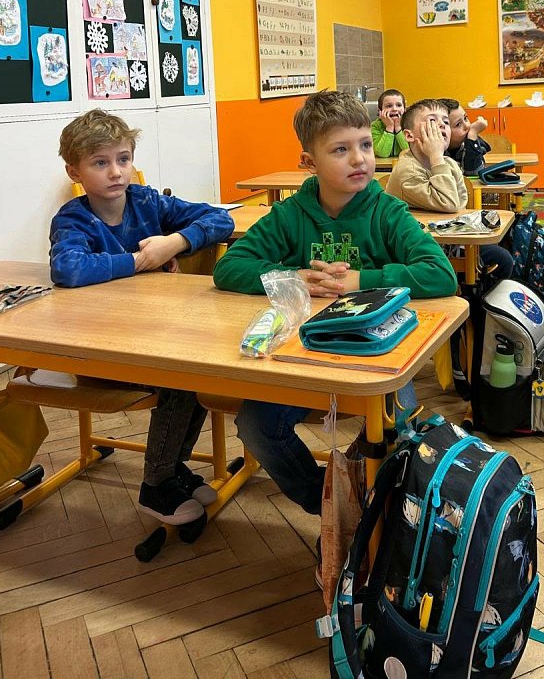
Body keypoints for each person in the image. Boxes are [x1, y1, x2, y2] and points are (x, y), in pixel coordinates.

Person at [213, 90, 457, 515]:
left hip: (376, 355)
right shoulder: (291, 214)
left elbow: (440, 274)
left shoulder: (387, 212)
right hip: (304, 354)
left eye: (364, 145)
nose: (359, 159)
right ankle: (333, 509)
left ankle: (383, 509)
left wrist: (360, 280)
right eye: (340, 150)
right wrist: (293, 278)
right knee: (256, 425)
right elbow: (229, 267)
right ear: (309, 162)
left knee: (399, 424)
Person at [50, 109, 235, 523]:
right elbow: (69, 268)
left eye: (124, 159)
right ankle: (155, 485)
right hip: (101, 348)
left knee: (200, 373)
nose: (116, 172)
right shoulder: (74, 218)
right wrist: (140, 261)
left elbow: (220, 219)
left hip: (153, 334)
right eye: (100, 162)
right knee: (180, 379)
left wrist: (174, 243)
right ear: (74, 171)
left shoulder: (146, 201)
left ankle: (173, 469)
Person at [385, 99, 513, 283]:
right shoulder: (408, 171)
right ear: (409, 136)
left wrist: (439, 160)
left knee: (502, 258)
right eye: (432, 121)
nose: (441, 125)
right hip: (412, 253)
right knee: (499, 260)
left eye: (445, 122)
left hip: (443, 241)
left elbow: (460, 203)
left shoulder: (448, 163)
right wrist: (437, 156)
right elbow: (451, 203)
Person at [439, 97, 492, 174]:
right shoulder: (436, 151)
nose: (467, 126)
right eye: (458, 124)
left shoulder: (470, 142)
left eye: (465, 118)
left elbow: (475, 174)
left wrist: (472, 137)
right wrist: (472, 135)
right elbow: (472, 173)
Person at [371, 88, 408, 157]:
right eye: (389, 106)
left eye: (399, 105)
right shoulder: (375, 126)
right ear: (380, 111)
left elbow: (410, 151)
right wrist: (389, 128)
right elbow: (382, 153)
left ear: (405, 109)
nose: (394, 109)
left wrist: (398, 128)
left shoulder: (409, 125)